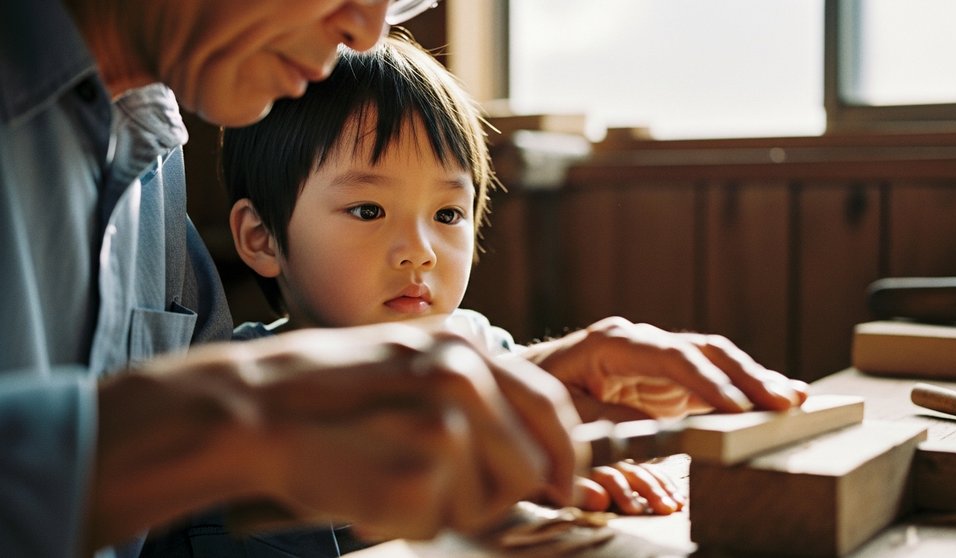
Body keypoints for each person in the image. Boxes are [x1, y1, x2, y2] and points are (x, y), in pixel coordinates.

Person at [0, 1, 806, 557]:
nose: (367, 27)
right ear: (261, 237)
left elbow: (193, 483)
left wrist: (513, 394)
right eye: (366, 211)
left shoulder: (152, 160)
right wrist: (242, 422)